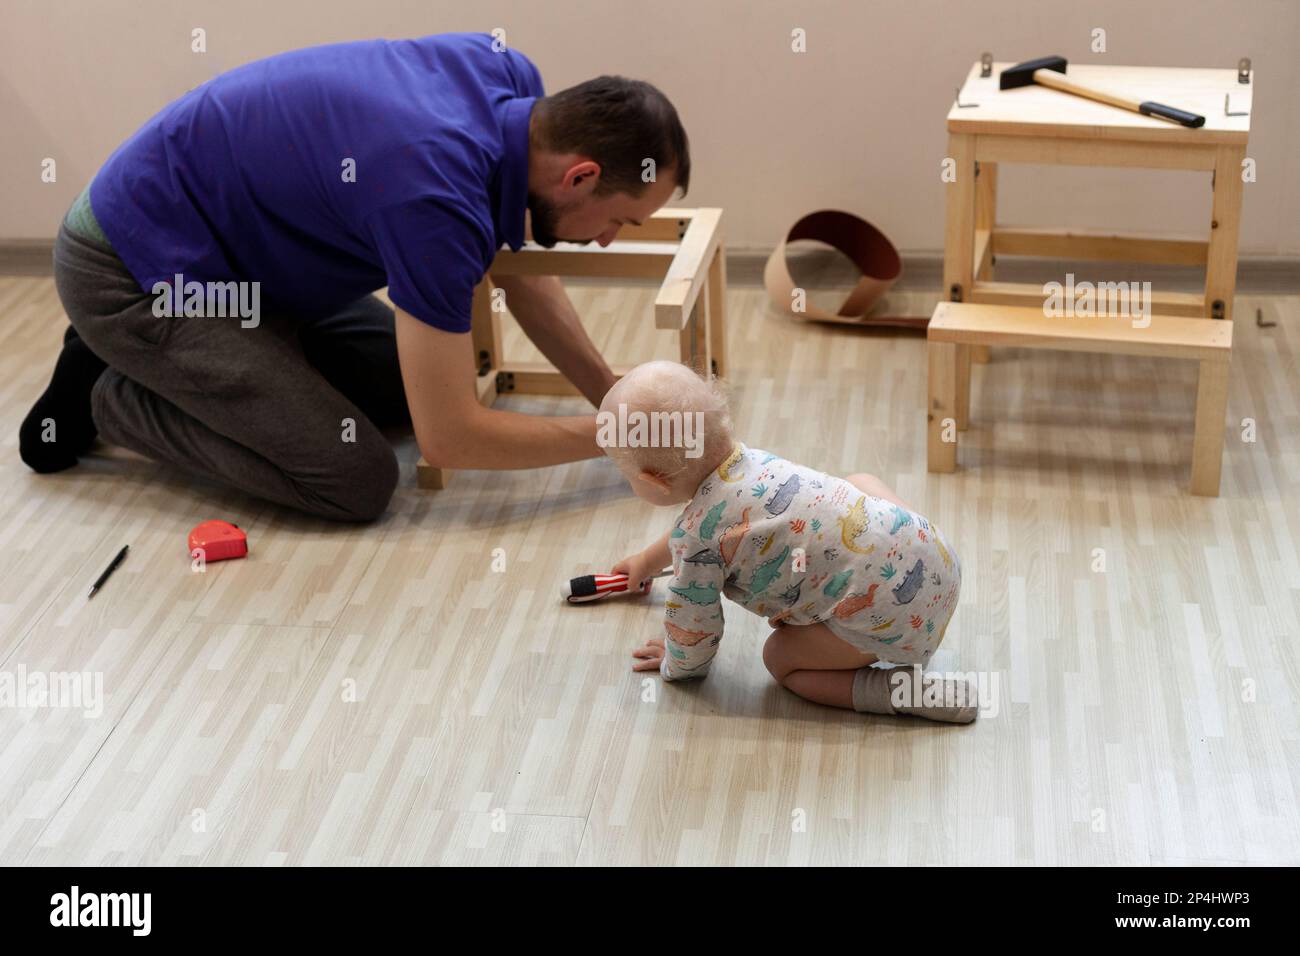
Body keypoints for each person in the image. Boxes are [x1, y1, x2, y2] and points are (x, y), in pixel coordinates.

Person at [19, 33, 689, 520]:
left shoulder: (509, 77)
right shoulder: (432, 197)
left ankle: (196, 363)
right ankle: (110, 391)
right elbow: (451, 438)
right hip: (136, 272)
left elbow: (517, 275)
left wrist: (610, 393)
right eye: (619, 220)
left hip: (247, 268)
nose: (606, 237)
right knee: (354, 477)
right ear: (580, 175)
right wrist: (616, 436)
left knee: (404, 390)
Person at [602, 361, 978, 723]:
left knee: (780, 660)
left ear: (654, 481)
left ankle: (904, 693)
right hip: (940, 559)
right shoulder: (750, 464)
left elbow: (695, 631)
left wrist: (675, 662)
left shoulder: (698, 540)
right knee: (859, 480)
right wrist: (647, 562)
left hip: (896, 623)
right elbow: (708, 520)